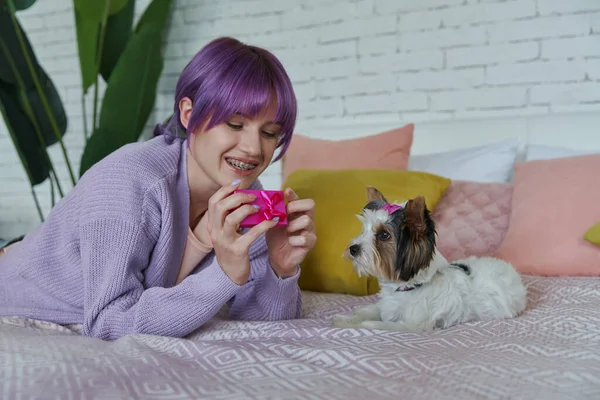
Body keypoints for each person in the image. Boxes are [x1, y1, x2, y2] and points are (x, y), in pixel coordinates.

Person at [0, 37, 317, 341]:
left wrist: (280, 269)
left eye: (270, 132)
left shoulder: (247, 196)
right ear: (188, 114)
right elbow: (108, 322)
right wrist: (223, 273)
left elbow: (258, 321)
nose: (253, 148)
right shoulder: (130, 183)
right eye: (235, 125)